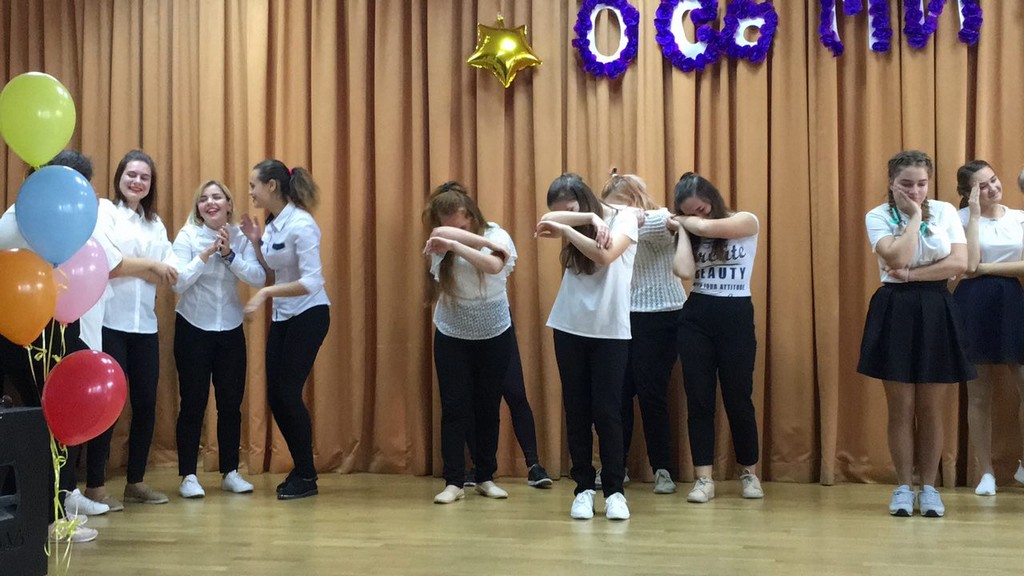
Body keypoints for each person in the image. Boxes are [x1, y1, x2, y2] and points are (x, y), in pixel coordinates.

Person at [857, 150, 974, 518]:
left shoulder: (947, 211)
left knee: (931, 407)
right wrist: (914, 218)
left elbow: (960, 263)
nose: (916, 190)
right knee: (901, 407)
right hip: (895, 308)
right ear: (891, 182)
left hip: (937, 308)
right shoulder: (878, 215)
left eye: (922, 184)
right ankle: (904, 487)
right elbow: (896, 258)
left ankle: (929, 487)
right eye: (906, 184)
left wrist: (912, 275)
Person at [536, 173, 637, 521]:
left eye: (573, 208)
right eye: (565, 211)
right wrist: (589, 218)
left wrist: (571, 228)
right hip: (569, 326)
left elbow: (605, 256)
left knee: (608, 412)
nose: (568, 215)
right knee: (576, 411)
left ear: (586, 196)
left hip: (610, 330)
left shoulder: (624, 217)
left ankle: (614, 491)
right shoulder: (587, 220)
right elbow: (547, 220)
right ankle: (582, 489)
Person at [86, 149, 178, 508]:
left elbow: (170, 272)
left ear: (151, 184)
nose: (137, 181)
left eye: (144, 177)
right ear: (119, 177)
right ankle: (95, 487)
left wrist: (141, 267)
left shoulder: (156, 224)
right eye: (131, 175)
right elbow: (109, 265)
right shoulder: (105, 212)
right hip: (110, 323)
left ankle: (135, 482)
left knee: (146, 404)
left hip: (145, 326)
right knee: (107, 406)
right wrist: (151, 266)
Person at [422, 181, 519, 504]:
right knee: (454, 406)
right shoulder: (439, 242)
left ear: (471, 216)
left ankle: (485, 476)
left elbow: (494, 264)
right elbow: (444, 238)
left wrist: (459, 243)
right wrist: (450, 241)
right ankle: (454, 481)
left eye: (461, 227)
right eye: (449, 228)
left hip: (494, 332)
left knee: (488, 405)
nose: (454, 233)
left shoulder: (497, 235)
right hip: (452, 333)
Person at [670, 172, 764, 504]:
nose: (700, 216)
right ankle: (704, 479)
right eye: (689, 212)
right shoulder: (690, 231)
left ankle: (749, 473)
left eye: (702, 208)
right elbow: (684, 271)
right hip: (697, 315)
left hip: (735, 314)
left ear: (713, 198)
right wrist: (684, 229)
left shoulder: (745, 220)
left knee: (739, 398)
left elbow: (708, 228)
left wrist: (683, 221)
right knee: (699, 401)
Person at [241, 159, 330, 501]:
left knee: (288, 393)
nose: (250, 192)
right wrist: (255, 241)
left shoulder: (302, 224)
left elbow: (312, 281)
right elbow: (273, 267)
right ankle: (302, 468)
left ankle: (307, 474)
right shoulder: (274, 224)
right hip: (284, 316)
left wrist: (265, 294)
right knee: (276, 396)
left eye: (253, 186)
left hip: (309, 315)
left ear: (272, 186)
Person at [171, 180, 266, 498]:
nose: (210, 202)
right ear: (198, 208)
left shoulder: (239, 235)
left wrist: (229, 255)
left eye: (217, 197)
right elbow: (177, 283)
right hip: (192, 327)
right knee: (192, 402)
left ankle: (230, 471)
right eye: (204, 199)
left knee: (230, 403)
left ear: (229, 204)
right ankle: (188, 475)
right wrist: (205, 255)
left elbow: (258, 277)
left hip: (230, 328)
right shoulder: (187, 235)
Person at [600, 170, 684, 495]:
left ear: (636, 201)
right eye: (611, 208)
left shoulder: (658, 219)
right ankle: (615, 467)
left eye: (621, 206)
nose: (615, 213)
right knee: (618, 394)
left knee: (652, 393)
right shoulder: (611, 224)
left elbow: (667, 223)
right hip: (621, 315)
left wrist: (631, 219)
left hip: (660, 315)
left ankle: (662, 468)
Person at [952, 160, 1024, 496]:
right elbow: (968, 264)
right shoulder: (959, 220)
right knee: (979, 394)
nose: (993, 188)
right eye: (982, 186)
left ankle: (1023, 465)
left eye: (994, 180)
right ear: (968, 193)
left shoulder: (1019, 217)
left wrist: (985, 268)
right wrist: (975, 216)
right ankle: (986, 472)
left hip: (1013, 301)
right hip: (972, 304)